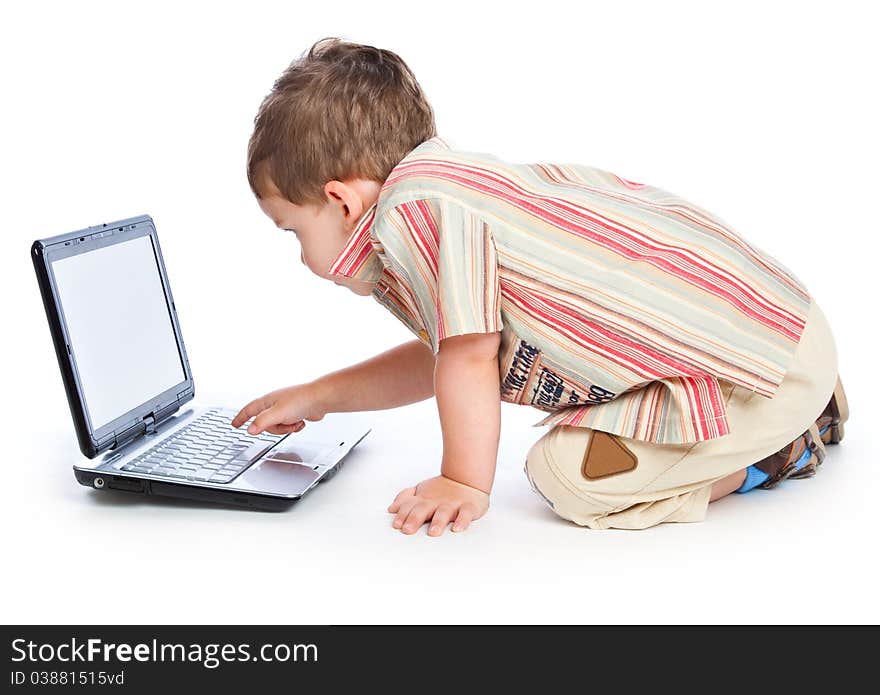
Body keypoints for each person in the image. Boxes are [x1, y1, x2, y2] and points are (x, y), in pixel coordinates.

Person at [231, 37, 849, 535]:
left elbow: (468, 357)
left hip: (759, 375)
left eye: (293, 231)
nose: (301, 256)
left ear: (340, 200)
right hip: (777, 330)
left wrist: (462, 482)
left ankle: (781, 449)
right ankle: (796, 402)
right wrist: (320, 395)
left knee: (569, 478)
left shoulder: (411, 213)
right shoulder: (450, 191)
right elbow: (452, 355)